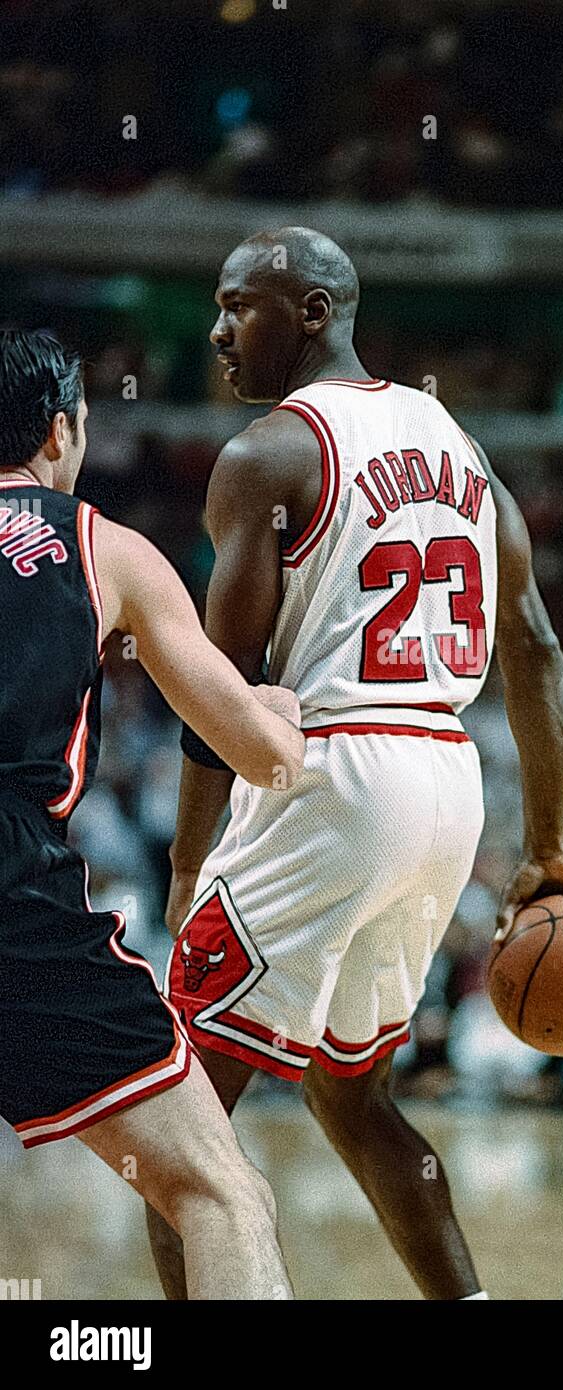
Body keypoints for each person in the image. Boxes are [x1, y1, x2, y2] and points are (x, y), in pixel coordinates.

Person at [148, 227, 563, 1301]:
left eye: (235, 304)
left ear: (310, 311)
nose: (216, 331)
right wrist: (546, 848)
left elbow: (222, 688)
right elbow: (534, 645)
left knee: (175, 1136)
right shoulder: (459, 445)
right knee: (353, 1099)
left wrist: (183, 871)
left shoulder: (268, 454)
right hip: (447, 779)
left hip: (332, 772)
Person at [0, 328, 306, 1299]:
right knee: (220, 1197)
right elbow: (261, 757)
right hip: (15, 892)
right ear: (61, 429)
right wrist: (281, 714)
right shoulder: (105, 548)